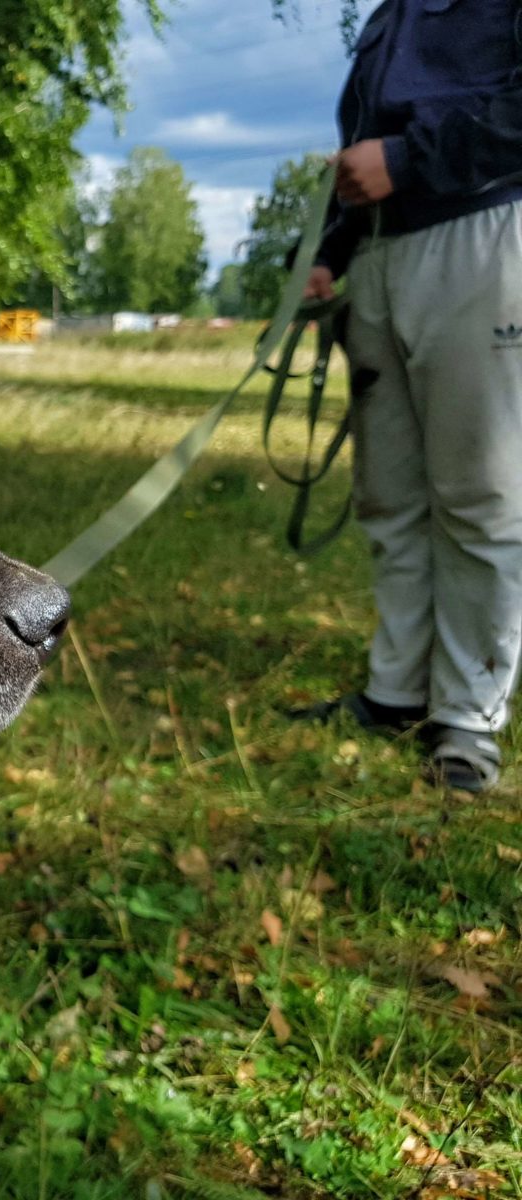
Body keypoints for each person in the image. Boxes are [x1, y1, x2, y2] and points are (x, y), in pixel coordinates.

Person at [300, 0, 522, 792]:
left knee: (482, 492)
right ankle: (396, 692)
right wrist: (329, 252)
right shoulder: (390, 14)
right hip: (383, 254)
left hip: (485, 228)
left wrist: (411, 159)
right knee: (390, 495)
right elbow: (361, 148)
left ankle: (468, 718)